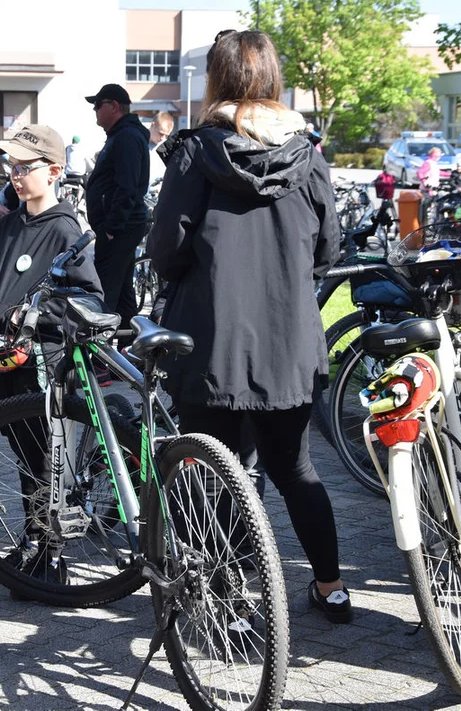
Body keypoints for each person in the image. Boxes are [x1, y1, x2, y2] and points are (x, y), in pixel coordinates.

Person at [147, 30, 349, 625]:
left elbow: (165, 250)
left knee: (214, 471)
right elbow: (328, 248)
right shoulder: (306, 155)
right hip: (287, 337)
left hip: (209, 340)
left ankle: (228, 595)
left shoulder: (195, 152)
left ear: (217, 79)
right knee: (294, 468)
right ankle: (331, 586)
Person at [0, 125, 103, 585]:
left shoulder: (67, 230)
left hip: (45, 362)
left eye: (24, 167)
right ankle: (33, 541)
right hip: (5, 359)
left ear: (52, 171)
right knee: (23, 452)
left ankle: (51, 555)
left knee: (47, 457)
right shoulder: (9, 223)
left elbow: (88, 297)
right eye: (9, 166)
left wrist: (31, 314)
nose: (14, 175)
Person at [83, 83, 149, 331]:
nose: (95, 111)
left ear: (114, 106)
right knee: (121, 295)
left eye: (98, 105)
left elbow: (127, 187)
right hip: (120, 226)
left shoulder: (127, 137)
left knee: (105, 294)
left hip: (120, 227)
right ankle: (129, 351)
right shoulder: (123, 135)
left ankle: (101, 358)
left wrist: (112, 226)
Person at [147, 112, 174, 186]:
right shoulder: (139, 142)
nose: (162, 138)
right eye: (161, 133)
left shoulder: (167, 147)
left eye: (166, 135)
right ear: (153, 125)